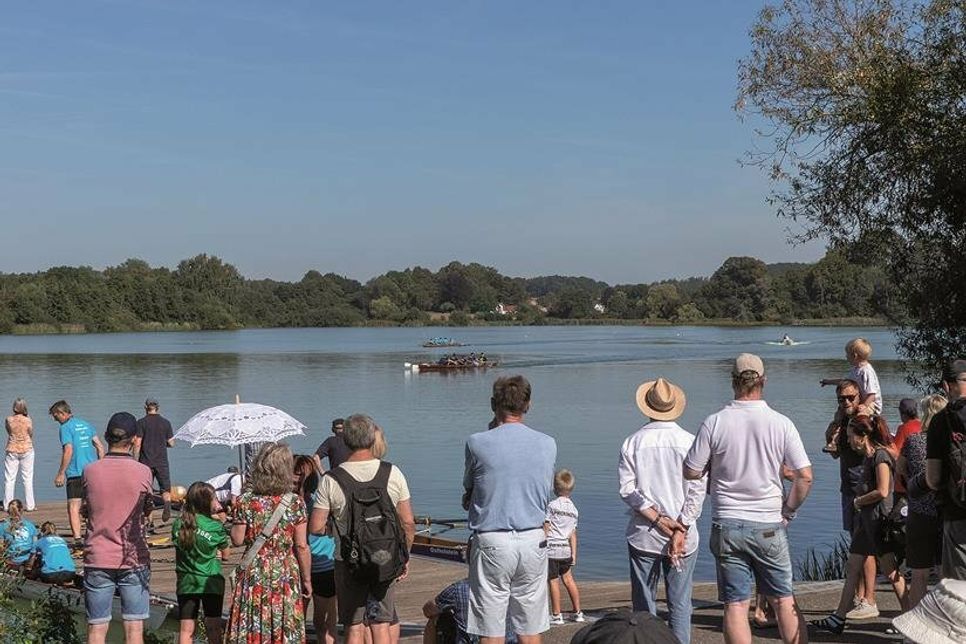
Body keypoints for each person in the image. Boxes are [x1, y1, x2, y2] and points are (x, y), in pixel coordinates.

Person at [684, 353, 812, 644]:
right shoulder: (781, 423)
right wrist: (789, 510)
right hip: (769, 522)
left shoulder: (714, 422)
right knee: (783, 601)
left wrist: (713, 468)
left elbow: (691, 471)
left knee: (736, 605)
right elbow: (804, 476)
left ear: (732, 382)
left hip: (727, 523)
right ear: (763, 381)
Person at [463, 375, 556, 644]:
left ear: (494, 404)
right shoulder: (548, 443)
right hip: (532, 539)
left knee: (490, 629)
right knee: (529, 628)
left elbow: (471, 488)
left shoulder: (477, 442)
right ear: (528, 405)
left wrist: (492, 428)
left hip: (493, 539)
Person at [310, 414, 416, 644]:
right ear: (372, 439)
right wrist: (403, 555)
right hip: (385, 557)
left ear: (345, 441)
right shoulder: (393, 472)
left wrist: (339, 529)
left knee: (354, 625)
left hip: (347, 560)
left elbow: (316, 527)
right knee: (381, 624)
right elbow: (408, 523)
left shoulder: (331, 479)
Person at [618, 377, 705, 644]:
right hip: (684, 538)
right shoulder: (690, 441)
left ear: (647, 408)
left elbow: (627, 490)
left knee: (644, 609)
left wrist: (657, 518)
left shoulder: (632, 442)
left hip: (644, 534)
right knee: (680, 605)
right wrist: (682, 525)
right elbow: (698, 489)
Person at [811, 414, 907, 634]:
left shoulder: (880, 456)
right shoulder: (868, 456)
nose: (848, 440)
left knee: (891, 572)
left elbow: (883, 491)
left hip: (878, 523)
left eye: (850, 436)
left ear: (862, 436)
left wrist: (858, 501)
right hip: (865, 523)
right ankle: (838, 617)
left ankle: (910, 616)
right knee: (852, 566)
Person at [226, 442, 312, 644]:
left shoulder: (245, 500)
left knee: (253, 619)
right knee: (285, 619)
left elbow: (237, 540)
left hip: (254, 569)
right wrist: (306, 579)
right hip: (284, 570)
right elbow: (301, 546)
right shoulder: (295, 502)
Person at [82, 412, 154, 644]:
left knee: (96, 629)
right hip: (133, 558)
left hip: (98, 556)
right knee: (134, 630)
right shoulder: (143, 472)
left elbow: (88, 508)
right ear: (133, 439)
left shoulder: (90, 471)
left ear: (106, 437)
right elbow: (146, 510)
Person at [822, 380, 880, 619]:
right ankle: (858, 597)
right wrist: (832, 437)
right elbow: (836, 454)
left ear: (859, 396)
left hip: (863, 488)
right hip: (847, 487)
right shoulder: (842, 422)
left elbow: (874, 449)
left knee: (864, 546)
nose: (846, 402)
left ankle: (870, 599)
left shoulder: (865, 421)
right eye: (841, 398)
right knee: (855, 544)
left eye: (850, 397)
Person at [899, 394, 947, 609]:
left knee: (919, 574)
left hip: (918, 512)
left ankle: (914, 627)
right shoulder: (951, 442)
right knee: (945, 575)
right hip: (946, 511)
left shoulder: (913, 441)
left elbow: (900, 471)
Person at [422, 540, 518, 644]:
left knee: (435, 618)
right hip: (509, 640)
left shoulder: (457, 589)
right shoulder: (513, 586)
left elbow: (428, 610)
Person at [173, 481, 229, 644]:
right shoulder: (215, 526)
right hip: (211, 582)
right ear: (207, 502)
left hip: (186, 582)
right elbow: (226, 554)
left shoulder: (179, 523)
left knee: (186, 630)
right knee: (213, 627)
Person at [926, 358, 966, 580]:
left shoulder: (941, 421)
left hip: (958, 508)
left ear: (946, 385)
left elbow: (932, 478)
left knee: (960, 588)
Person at [295, 454, 337, 644]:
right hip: (325, 563)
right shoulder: (322, 500)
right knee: (325, 623)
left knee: (302, 622)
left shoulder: (292, 505)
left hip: (314, 566)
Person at [50, 400, 104, 547]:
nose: (54, 419)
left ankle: (78, 540)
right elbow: (99, 446)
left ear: (62, 413)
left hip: (75, 472)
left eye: (55, 416)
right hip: (92, 471)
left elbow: (68, 450)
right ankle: (96, 534)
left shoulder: (65, 428)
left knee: (74, 506)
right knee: (92, 504)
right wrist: (102, 465)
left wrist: (61, 473)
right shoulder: (86, 424)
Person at [545, 469, 583, 625]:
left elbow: (546, 527)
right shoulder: (574, 510)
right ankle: (578, 612)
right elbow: (573, 534)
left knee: (553, 581)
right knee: (568, 580)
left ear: (554, 488)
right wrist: (574, 554)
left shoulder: (552, 506)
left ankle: (556, 614)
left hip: (552, 549)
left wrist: (540, 543)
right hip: (566, 550)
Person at [134, 398, 175, 525]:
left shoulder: (141, 423)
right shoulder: (166, 423)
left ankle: (149, 520)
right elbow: (172, 443)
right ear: (158, 408)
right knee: (165, 489)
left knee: (147, 491)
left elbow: (137, 443)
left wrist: (135, 460)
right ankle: (167, 503)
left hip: (145, 462)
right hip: (162, 461)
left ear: (145, 407)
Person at [820, 337, 882, 415]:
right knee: (839, 414)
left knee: (860, 415)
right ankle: (836, 426)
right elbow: (845, 382)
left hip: (871, 404)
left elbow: (872, 394)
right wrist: (828, 382)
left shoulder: (867, 371)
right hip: (857, 401)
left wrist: (865, 405)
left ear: (854, 356)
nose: (846, 356)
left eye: (847, 354)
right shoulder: (855, 370)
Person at [4, 398, 35, 512]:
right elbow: (30, 433)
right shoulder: (28, 420)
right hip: (27, 449)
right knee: (27, 478)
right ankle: (30, 505)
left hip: (12, 449)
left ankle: (7, 505)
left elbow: (9, 431)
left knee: (9, 478)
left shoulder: (9, 419)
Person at [0, 499, 37, 567]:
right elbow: (35, 546)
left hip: (11, 561)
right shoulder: (31, 525)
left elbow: (1, 547)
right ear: (22, 510)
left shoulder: (2, 526)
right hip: (28, 559)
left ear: (8, 511)